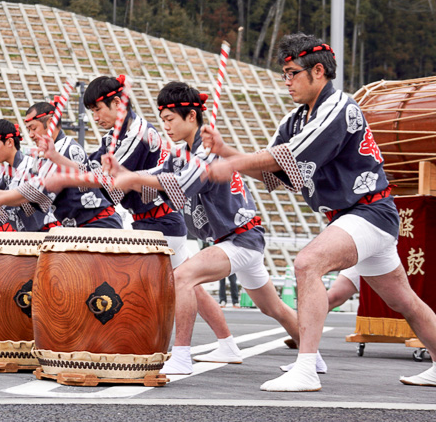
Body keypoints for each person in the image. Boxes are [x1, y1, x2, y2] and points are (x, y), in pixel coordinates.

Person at [204, 33, 436, 391]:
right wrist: (227, 151)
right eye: (285, 74)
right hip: (353, 218)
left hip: (370, 212)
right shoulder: (294, 121)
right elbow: (274, 173)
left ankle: (307, 367)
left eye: (292, 72)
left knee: (308, 262)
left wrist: (231, 164)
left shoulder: (340, 108)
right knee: (404, 301)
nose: (287, 81)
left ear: (318, 71)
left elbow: (287, 157)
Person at [109, 81, 309, 375]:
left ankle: (181, 355)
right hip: (234, 239)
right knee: (272, 307)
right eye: (163, 120)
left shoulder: (207, 151)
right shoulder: (182, 153)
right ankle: (311, 353)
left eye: (170, 119)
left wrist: (129, 179)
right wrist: (126, 175)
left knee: (183, 277)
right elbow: (155, 175)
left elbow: (182, 185)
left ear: (191, 116)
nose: (166, 126)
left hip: (240, 238)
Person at [42, 75, 243, 364]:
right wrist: (59, 160)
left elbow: (105, 179)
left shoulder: (136, 135)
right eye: (91, 112)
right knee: (190, 285)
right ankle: (226, 342)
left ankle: (143, 346)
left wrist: (64, 177)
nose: (95, 117)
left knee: (148, 285)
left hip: (159, 220)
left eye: (98, 109)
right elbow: (91, 169)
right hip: (150, 219)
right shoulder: (115, 136)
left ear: (116, 103)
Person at [0, 101, 123, 229]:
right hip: (77, 228)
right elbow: (29, 196)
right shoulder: (40, 158)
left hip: (99, 225)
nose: (30, 134)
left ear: (50, 123)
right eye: (28, 129)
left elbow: (34, 192)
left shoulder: (69, 149)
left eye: (33, 128)